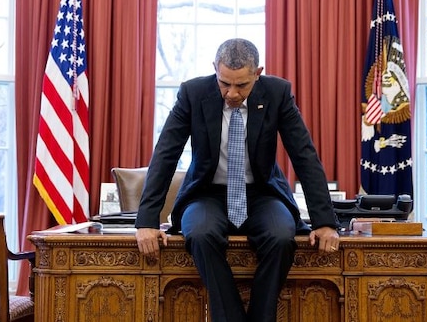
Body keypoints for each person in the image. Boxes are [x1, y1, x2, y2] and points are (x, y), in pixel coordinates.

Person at [135, 38, 340, 322]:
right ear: (214, 70)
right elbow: (165, 155)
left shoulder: (277, 93)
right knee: (200, 234)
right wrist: (146, 221)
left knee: (282, 237)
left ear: (258, 73)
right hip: (207, 194)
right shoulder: (193, 94)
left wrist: (325, 222)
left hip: (262, 193)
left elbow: (304, 156)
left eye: (241, 85)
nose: (231, 93)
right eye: (224, 83)